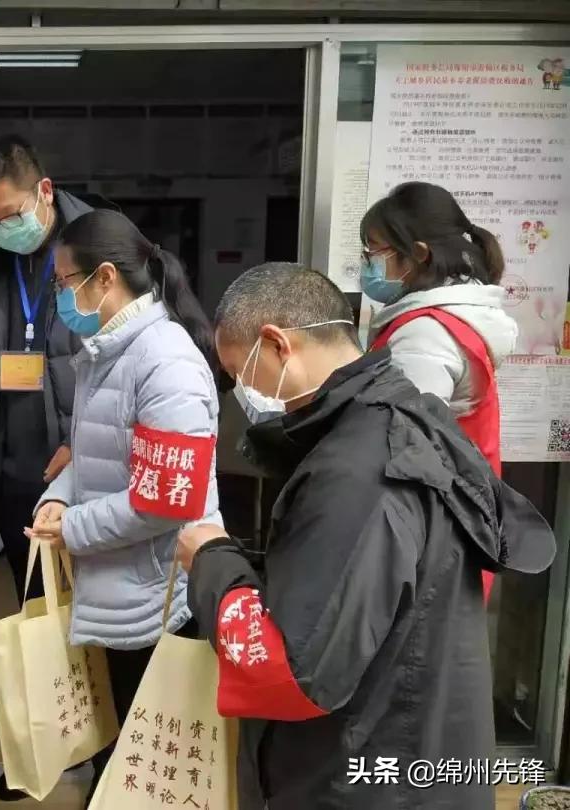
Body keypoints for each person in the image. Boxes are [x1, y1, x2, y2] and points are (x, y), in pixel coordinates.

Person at [178, 263, 555, 810]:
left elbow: (295, 671)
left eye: (241, 373)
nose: (244, 393)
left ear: (278, 344)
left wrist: (213, 560)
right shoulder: (402, 416)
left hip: (366, 776)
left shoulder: (359, 469)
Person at [29, 210, 222, 807]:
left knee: (146, 767)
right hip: (120, 588)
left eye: (63, 282)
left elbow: (166, 501)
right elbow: (93, 456)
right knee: (123, 759)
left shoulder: (166, 363)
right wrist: (58, 498)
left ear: (105, 277)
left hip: (155, 599)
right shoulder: (108, 350)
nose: (59, 296)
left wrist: (74, 528)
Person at [0, 135, 116, 602]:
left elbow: (128, 368)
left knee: (90, 607)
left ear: (44, 189)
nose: (2, 230)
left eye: (11, 216)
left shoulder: (103, 248)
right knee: (36, 605)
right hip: (11, 465)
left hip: (82, 465)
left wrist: (81, 444)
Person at [361, 182, 517, 599]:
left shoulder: (425, 335)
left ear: (419, 254)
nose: (366, 263)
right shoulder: (449, 319)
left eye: (374, 251)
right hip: (454, 524)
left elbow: (405, 447)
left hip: (428, 536)